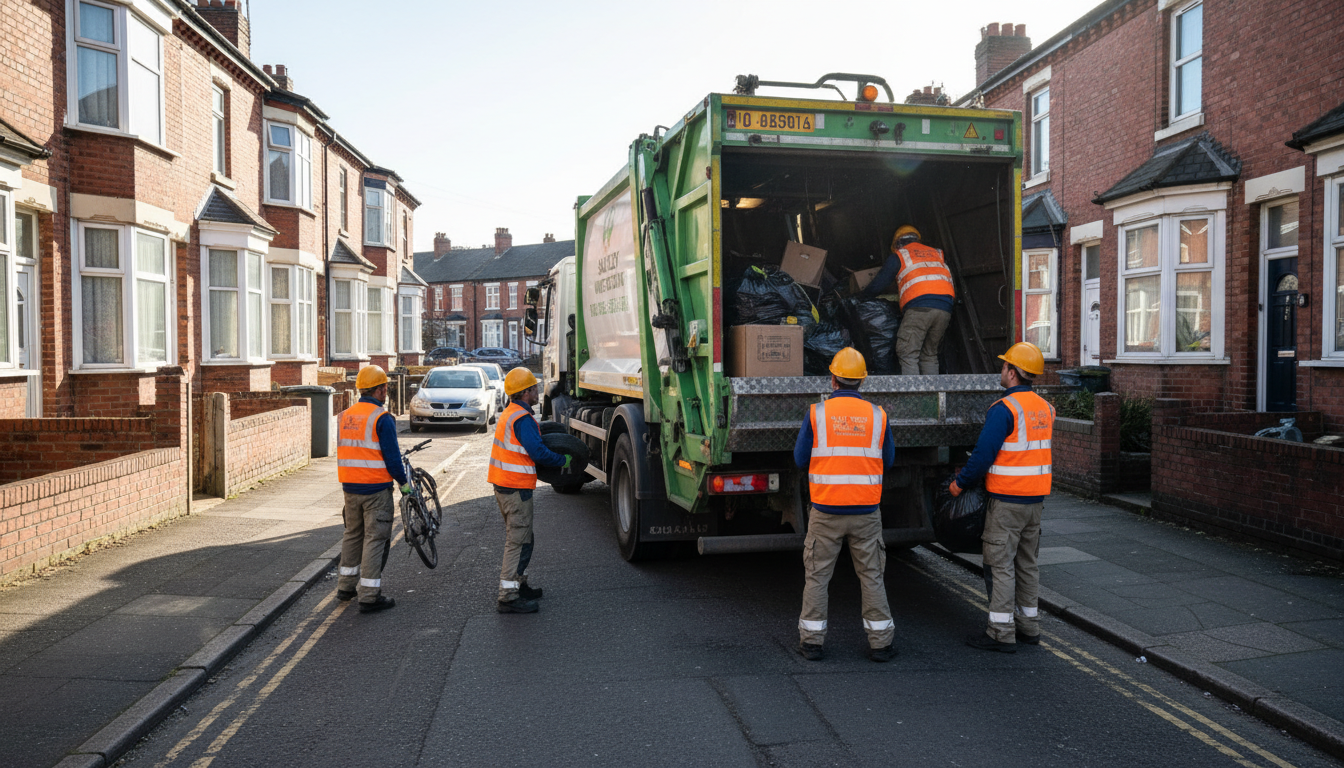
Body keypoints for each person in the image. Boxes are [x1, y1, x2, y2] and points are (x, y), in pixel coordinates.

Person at [792, 347, 898, 662]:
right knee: (872, 576)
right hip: (866, 512)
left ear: (833, 380)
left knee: (817, 576)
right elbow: (888, 460)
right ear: (861, 382)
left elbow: (800, 459)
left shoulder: (817, 413)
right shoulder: (879, 415)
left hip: (825, 511)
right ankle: (880, 643)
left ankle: (812, 642)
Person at [950, 342, 1054, 652]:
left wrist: (959, 484)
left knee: (999, 565)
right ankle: (1028, 627)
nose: (1001, 370)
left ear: (1012, 372)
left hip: (1007, 501)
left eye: (1004, 366)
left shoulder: (1004, 410)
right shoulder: (1045, 408)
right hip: (1035, 502)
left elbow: (983, 456)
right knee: (1027, 564)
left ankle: (1000, 630)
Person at [487, 367, 571, 614]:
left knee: (525, 539)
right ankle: (508, 596)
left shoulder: (511, 413)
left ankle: (519, 584)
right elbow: (538, 452)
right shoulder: (522, 420)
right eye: (534, 389)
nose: (537, 392)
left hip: (505, 485)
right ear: (525, 393)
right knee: (517, 540)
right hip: (515, 488)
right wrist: (562, 461)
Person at [335, 365, 412, 614]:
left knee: (352, 535)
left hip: (349, 487)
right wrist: (404, 484)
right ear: (379, 390)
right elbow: (392, 459)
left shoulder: (345, 415)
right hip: (375, 489)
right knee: (375, 538)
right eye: (385, 388)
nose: (386, 392)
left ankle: (345, 587)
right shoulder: (382, 418)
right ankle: (369, 594)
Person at [858, 224, 955, 375]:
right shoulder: (936, 253)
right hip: (945, 308)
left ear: (897, 244)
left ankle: (914, 398)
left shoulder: (901, 255)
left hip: (920, 308)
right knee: (929, 354)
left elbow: (879, 284)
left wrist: (861, 297)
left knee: (908, 353)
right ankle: (933, 397)